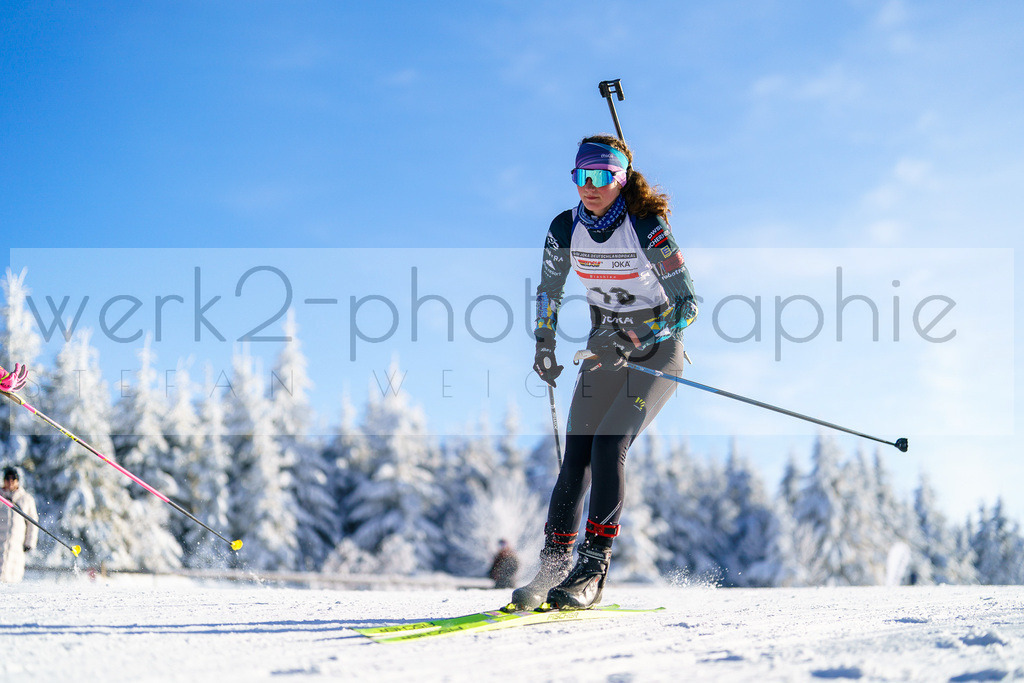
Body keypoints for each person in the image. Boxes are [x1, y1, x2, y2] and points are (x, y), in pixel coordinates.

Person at [511, 135, 697, 610]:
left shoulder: (646, 225)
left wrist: (633, 340)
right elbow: (549, 290)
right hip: (602, 347)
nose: (589, 187)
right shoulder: (563, 228)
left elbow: (687, 305)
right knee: (576, 457)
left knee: (610, 443)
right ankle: (552, 568)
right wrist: (543, 342)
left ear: (620, 178)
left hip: (655, 349)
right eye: (580, 177)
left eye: (600, 177)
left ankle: (591, 571)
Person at [1, 466, 39, 583]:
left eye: (13, 479)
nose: (10, 481)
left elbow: (32, 522)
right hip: (1, 541)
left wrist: (29, 542)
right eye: (8, 479)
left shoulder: (26, 499)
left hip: (16, 544)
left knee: (13, 574)